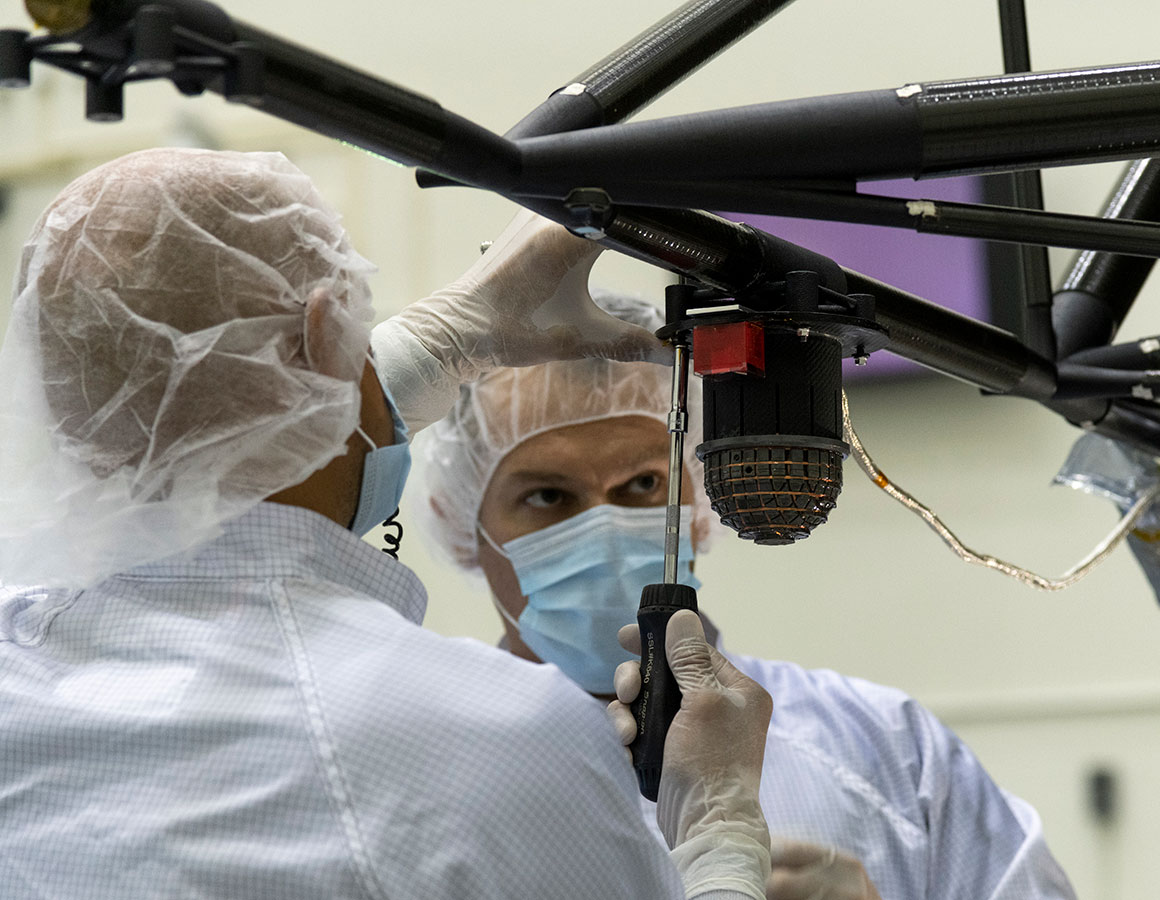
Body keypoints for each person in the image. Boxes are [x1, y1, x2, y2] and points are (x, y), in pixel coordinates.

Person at [0, 148, 776, 899]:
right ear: (328, 329)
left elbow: (211, 428)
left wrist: (409, 354)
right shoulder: (492, 740)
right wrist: (722, 848)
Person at [411, 292, 1078, 900]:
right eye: (548, 496)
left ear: (699, 504)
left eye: (643, 485)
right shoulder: (419, 780)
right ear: (464, 523)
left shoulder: (886, 752)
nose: (605, 528)